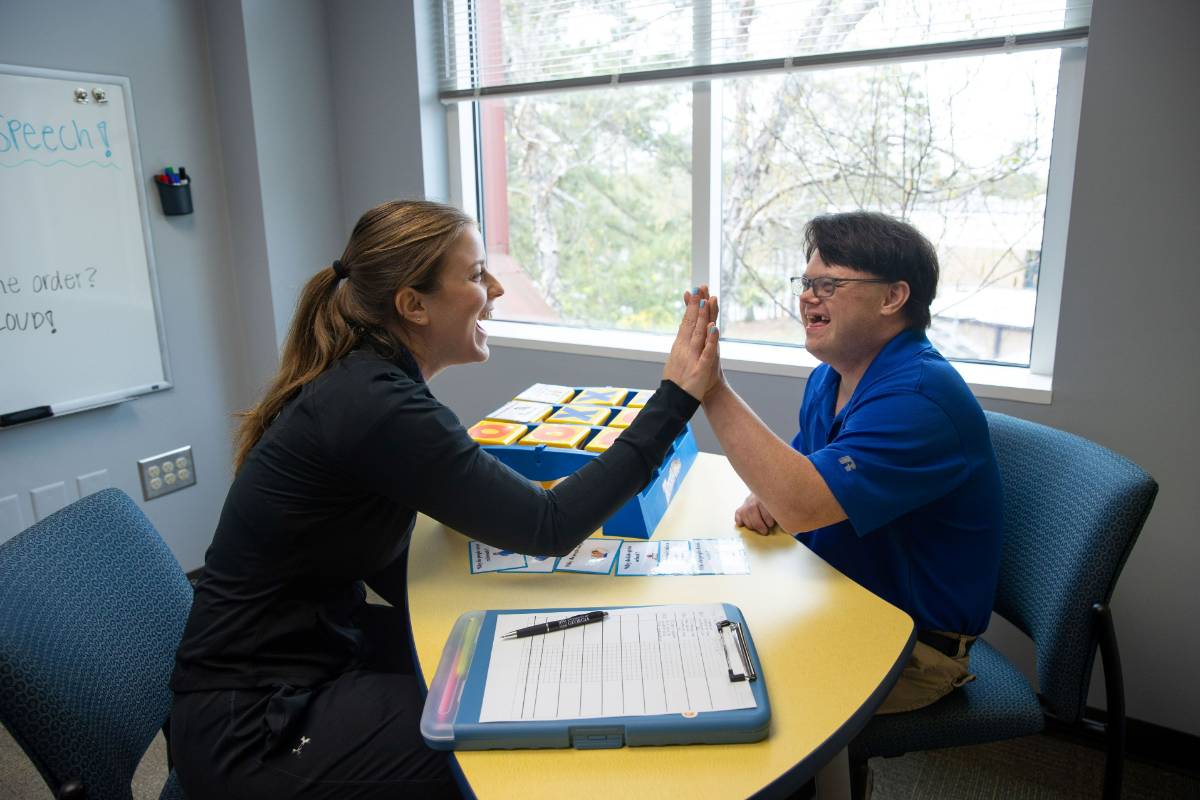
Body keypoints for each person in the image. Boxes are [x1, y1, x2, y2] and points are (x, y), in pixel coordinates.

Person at [169, 200, 720, 799]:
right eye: (477, 273)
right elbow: (549, 523)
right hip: (252, 727)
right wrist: (674, 399)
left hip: (317, 649)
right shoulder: (378, 405)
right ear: (413, 304)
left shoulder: (369, 384)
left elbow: (410, 535)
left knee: (510, 667)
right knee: (512, 747)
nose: (497, 287)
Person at [684, 211, 1002, 716]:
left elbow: (802, 503)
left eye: (828, 284)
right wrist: (774, 496)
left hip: (912, 645)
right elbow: (796, 480)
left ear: (893, 297)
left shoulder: (919, 399)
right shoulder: (832, 379)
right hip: (836, 595)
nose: (808, 296)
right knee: (702, 636)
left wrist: (711, 387)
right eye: (807, 283)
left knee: (721, 688)